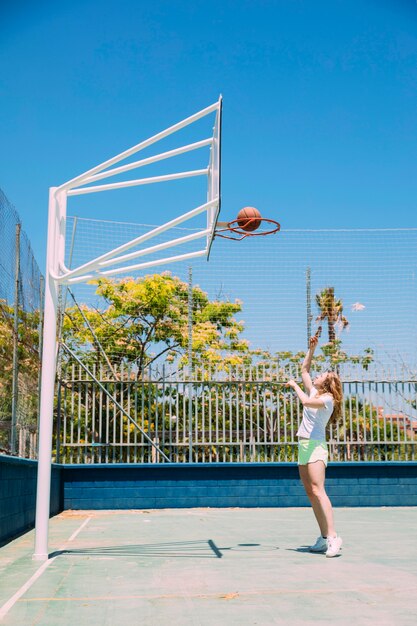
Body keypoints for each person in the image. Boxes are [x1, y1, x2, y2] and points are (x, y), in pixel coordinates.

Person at [286, 334, 343, 558]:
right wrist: (312, 349)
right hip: (303, 445)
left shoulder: (328, 399)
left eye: (323, 375)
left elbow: (306, 402)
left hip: (316, 445)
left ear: (327, 383)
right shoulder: (315, 390)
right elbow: (304, 370)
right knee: (310, 492)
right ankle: (323, 537)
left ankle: (333, 538)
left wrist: (293, 386)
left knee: (319, 491)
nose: (317, 375)